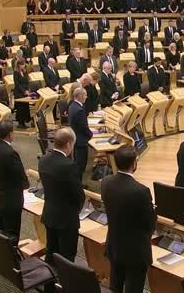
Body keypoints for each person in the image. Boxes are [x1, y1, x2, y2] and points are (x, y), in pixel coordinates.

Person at [102, 146, 155, 293]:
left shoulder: (106, 182)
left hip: (114, 244)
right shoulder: (141, 191)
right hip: (135, 252)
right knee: (133, 289)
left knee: (115, 286)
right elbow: (150, 224)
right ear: (134, 164)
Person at [39, 127, 84, 265]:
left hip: (49, 214)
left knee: (51, 252)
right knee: (67, 259)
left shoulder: (44, 159)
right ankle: (65, 286)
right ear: (68, 144)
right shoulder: (69, 166)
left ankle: (49, 286)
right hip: (66, 220)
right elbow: (78, 196)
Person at [0, 121, 29, 244]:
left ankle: (2, 255)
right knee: (12, 233)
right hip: (11, 200)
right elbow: (20, 175)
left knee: (1, 230)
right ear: (9, 134)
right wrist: (26, 183)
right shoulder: (10, 153)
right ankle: (12, 259)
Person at [68, 87, 92, 182]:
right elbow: (83, 127)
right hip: (80, 140)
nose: (86, 97)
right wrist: (90, 135)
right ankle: (78, 184)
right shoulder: (79, 110)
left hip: (75, 137)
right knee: (80, 164)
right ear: (81, 96)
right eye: (85, 95)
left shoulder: (72, 105)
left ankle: (78, 182)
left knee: (78, 162)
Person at [13, 60, 31, 128]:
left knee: (25, 107)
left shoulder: (25, 72)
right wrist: (24, 91)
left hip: (25, 92)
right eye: (22, 64)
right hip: (19, 92)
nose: (24, 66)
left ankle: (24, 121)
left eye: (24, 64)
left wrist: (27, 90)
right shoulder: (16, 73)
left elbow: (27, 81)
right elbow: (17, 84)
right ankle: (21, 123)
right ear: (19, 65)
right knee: (21, 108)